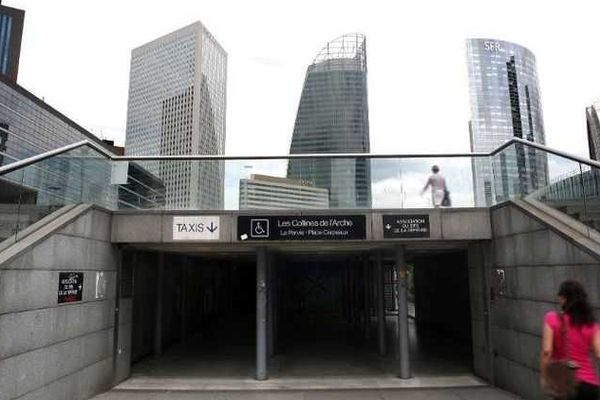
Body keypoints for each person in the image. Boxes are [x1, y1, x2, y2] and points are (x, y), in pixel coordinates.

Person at [541, 280, 600, 399]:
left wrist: (544, 377)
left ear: (564, 299)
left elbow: (547, 351)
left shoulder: (551, 318)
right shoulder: (592, 325)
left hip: (565, 384)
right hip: (590, 386)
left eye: (560, 296)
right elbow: (599, 354)